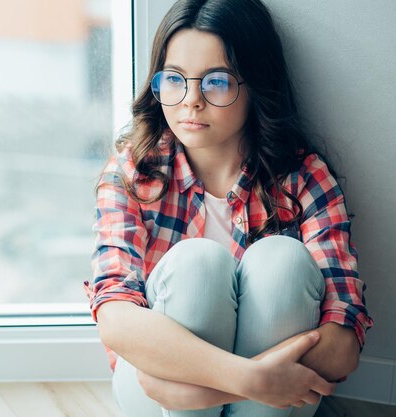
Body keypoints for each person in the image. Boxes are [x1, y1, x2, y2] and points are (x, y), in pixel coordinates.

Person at [83, 0, 374, 416]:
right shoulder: (135, 172)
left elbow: (344, 343)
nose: (191, 101)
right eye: (175, 79)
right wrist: (249, 380)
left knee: (283, 260)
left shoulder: (303, 177)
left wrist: (210, 389)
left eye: (216, 82)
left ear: (255, 84)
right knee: (197, 263)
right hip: (157, 394)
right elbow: (114, 316)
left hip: (251, 398)